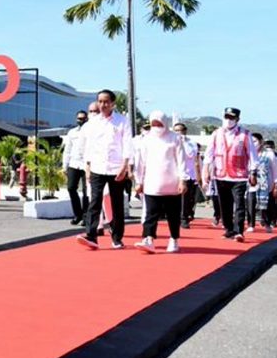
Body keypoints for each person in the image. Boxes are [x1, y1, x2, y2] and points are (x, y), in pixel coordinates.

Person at [76, 89, 132, 250]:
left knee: (116, 203)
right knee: (94, 202)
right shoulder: (91, 123)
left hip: (116, 168)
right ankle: (92, 235)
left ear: (113, 103)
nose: (103, 105)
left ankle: (117, 237)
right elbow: (86, 146)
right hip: (97, 167)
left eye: (106, 102)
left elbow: (128, 144)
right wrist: (87, 165)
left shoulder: (122, 121)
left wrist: (125, 166)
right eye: (100, 101)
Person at [133, 111, 188, 253]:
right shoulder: (145, 139)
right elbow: (140, 163)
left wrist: (183, 180)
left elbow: (182, 161)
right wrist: (139, 181)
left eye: (159, 123)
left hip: (172, 183)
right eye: (154, 123)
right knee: (150, 213)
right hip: (152, 183)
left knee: (173, 214)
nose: (157, 126)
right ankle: (148, 239)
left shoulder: (175, 138)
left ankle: (174, 239)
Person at [202, 107, 258, 241]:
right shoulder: (216, 134)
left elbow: (252, 154)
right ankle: (228, 229)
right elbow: (209, 155)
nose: (228, 120)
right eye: (226, 117)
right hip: (221, 174)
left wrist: (253, 172)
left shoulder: (245, 134)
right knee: (224, 204)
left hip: (239, 175)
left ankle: (239, 231)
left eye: (231, 118)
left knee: (239, 203)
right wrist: (206, 171)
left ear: (237, 119)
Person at [63, 108, 92, 225]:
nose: (81, 120)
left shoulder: (91, 131)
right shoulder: (72, 132)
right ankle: (78, 214)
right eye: (79, 119)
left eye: (83, 119)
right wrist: (65, 165)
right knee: (71, 188)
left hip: (86, 164)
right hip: (74, 164)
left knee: (86, 192)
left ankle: (85, 217)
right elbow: (67, 150)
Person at [247, 135, 277, 233]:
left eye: (255, 141)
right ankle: (251, 224)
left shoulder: (269, 154)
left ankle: (267, 223)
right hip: (251, 185)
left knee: (266, 206)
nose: (253, 144)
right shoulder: (249, 154)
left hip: (266, 185)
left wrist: (276, 184)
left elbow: (275, 171)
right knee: (250, 203)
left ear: (261, 142)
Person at [173, 123, 201, 229]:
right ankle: (181, 218)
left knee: (188, 198)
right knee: (177, 198)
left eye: (180, 130)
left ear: (185, 131)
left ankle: (186, 216)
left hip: (188, 174)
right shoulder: (171, 143)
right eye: (175, 130)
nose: (178, 133)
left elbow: (192, 157)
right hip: (174, 174)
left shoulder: (191, 143)